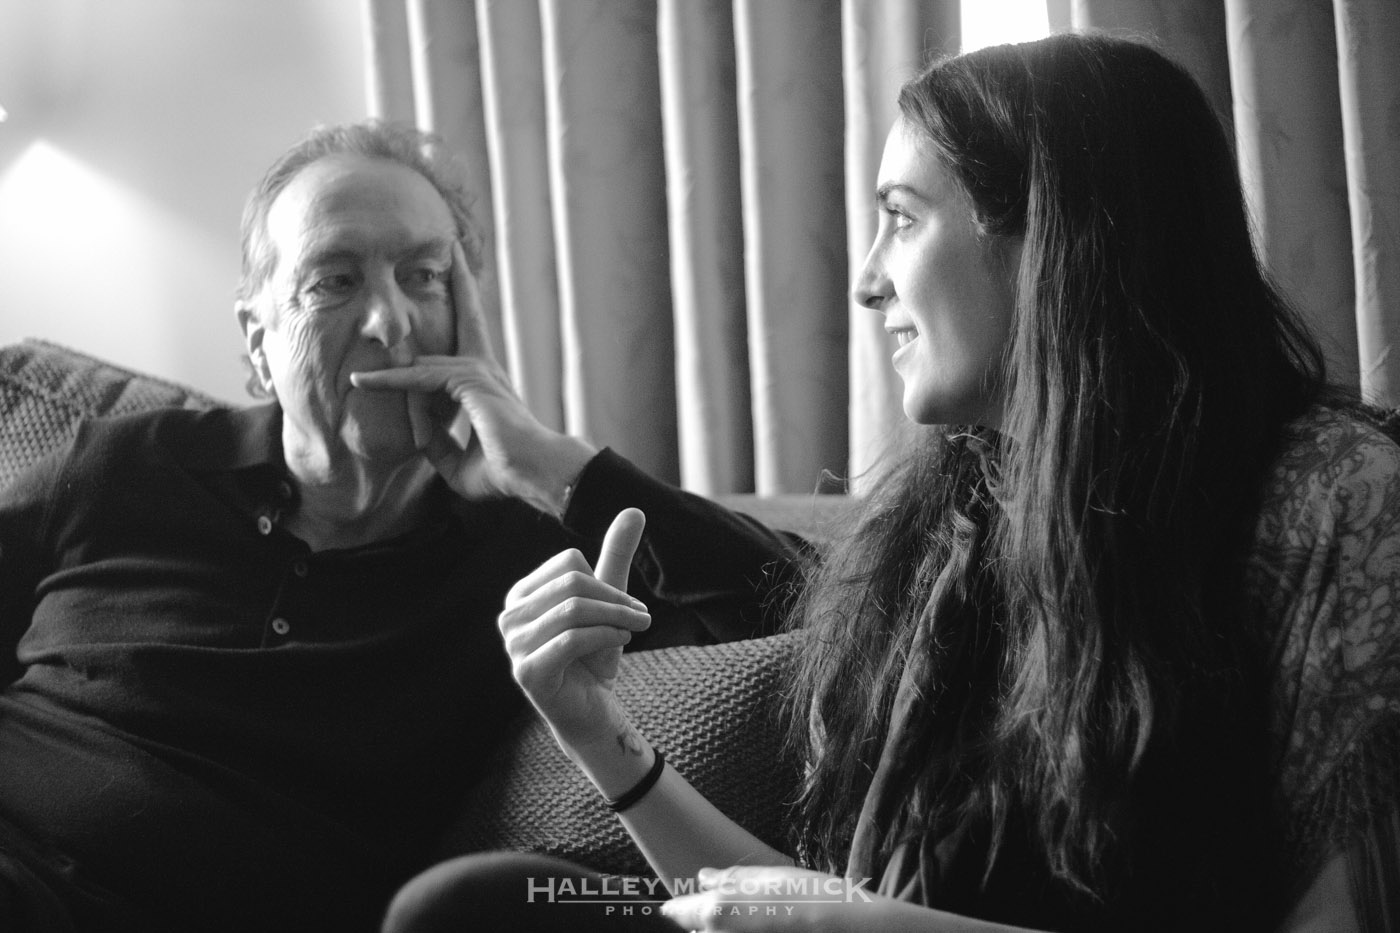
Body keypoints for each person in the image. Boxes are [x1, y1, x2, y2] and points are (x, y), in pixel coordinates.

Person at [390, 33, 1400, 932]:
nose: (867, 280)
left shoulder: (1331, 497)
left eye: (902, 219)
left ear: (1048, 238)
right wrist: (599, 734)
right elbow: (792, 902)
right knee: (472, 907)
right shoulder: (956, 514)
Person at [0, 122, 802, 932]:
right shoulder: (123, 467)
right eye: (335, 280)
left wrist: (552, 465)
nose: (389, 320)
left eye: (423, 276)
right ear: (258, 340)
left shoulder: (526, 554)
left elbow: (817, 607)